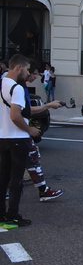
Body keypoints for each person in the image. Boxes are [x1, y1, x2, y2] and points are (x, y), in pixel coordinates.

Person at [0, 54, 41, 227]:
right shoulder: (16, 88)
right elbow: (16, 115)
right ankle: (13, 216)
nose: (27, 73)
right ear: (18, 67)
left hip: (2, 137)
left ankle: (2, 215)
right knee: (16, 181)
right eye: (26, 69)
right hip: (17, 138)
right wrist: (30, 130)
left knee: (3, 179)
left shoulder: (1, 83)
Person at [22, 64, 64, 201]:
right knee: (24, 160)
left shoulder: (17, 85)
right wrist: (29, 129)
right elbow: (19, 112)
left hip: (16, 132)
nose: (35, 76)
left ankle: (43, 190)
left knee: (30, 157)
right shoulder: (17, 87)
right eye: (32, 73)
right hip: (15, 133)